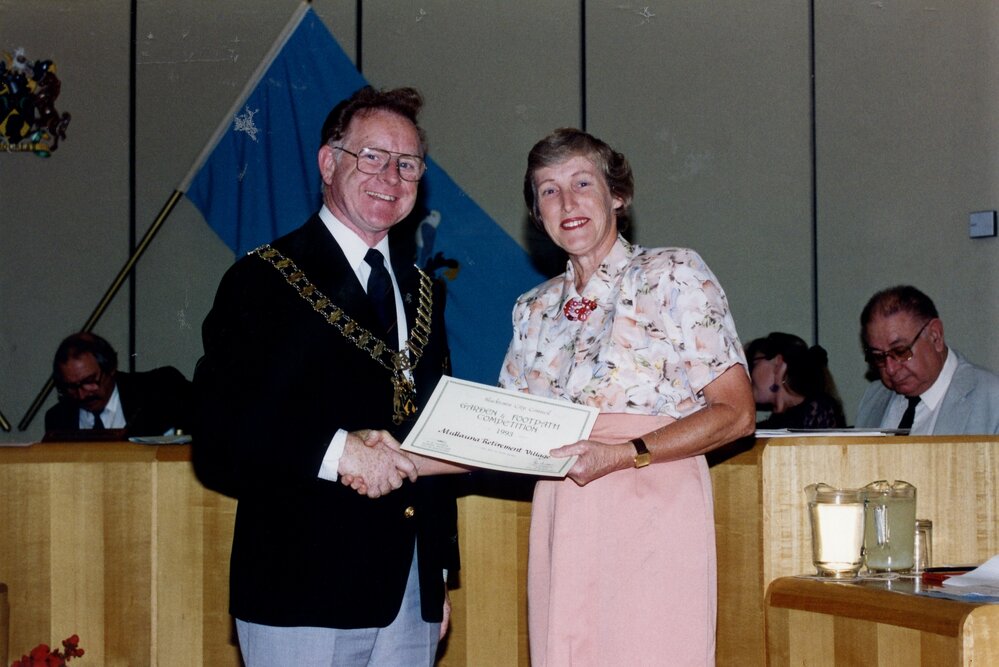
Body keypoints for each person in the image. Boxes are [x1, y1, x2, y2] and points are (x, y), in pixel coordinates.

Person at [193, 86, 464, 666]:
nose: (389, 176)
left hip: (408, 593)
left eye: (407, 164)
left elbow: (430, 430)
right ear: (328, 161)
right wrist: (337, 451)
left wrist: (437, 573)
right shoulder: (261, 280)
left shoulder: (423, 293)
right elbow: (218, 431)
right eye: (371, 157)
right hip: (301, 587)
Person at [498, 128, 755, 666]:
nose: (566, 203)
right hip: (563, 509)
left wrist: (622, 453)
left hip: (652, 498)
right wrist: (401, 455)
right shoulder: (533, 309)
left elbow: (735, 414)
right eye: (548, 190)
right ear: (536, 212)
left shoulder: (674, 274)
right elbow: (504, 434)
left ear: (617, 194)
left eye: (581, 182)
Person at [855, 284, 999, 434]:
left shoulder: (992, 399)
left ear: (935, 336)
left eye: (900, 351)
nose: (890, 369)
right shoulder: (873, 397)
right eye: (878, 357)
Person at [44, 331, 192, 437]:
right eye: (71, 387)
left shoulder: (159, 390)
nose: (81, 395)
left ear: (111, 368)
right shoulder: (58, 418)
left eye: (89, 381)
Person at [746, 332, 845, 429]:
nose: (748, 373)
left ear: (778, 363)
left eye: (753, 363)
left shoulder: (819, 409)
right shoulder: (768, 426)